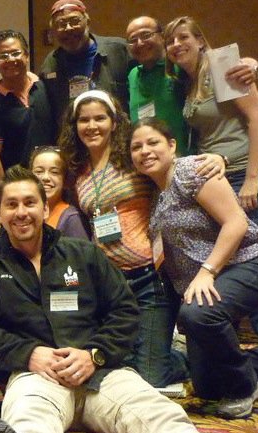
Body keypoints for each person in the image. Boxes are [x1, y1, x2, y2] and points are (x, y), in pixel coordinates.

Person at [0, 165, 197, 433]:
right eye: (11, 205)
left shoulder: (83, 254)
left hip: (101, 373)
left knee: (162, 417)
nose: (21, 212)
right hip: (36, 377)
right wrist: (28, 354)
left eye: (29, 203)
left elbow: (124, 311)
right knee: (27, 424)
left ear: (45, 209)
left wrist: (95, 355)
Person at [130, 118, 258, 418]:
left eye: (152, 142)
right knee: (207, 386)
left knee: (198, 313)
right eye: (136, 147)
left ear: (172, 145)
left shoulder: (192, 170)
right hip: (213, 279)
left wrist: (207, 271)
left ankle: (244, 386)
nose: (144, 151)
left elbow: (236, 222)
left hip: (252, 260)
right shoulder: (156, 195)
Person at [59, 89, 201, 388]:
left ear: (114, 121)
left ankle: (195, 358)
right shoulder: (78, 170)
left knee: (149, 376)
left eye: (100, 118)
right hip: (111, 283)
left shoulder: (132, 158)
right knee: (119, 365)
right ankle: (159, 348)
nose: (92, 126)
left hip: (149, 277)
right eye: (84, 120)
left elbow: (174, 167)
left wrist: (216, 158)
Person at [164, 16, 258, 340]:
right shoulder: (187, 78)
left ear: (200, 39)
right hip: (219, 173)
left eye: (183, 37)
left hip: (252, 171)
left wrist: (253, 178)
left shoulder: (221, 63)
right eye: (170, 41)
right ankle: (234, 342)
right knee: (235, 256)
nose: (176, 45)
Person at [126, 15, 258, 156]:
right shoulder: (132, 75)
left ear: (161, 37)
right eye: (132, 40)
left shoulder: (180, 66)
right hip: (150, 159)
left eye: (146, 35)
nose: (140, 43)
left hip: (192, 157)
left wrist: (251, 65)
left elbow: (216, 62)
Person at [40, 0, 132, 127]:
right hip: (73, 142)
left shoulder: (119, 51)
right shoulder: (50, 65)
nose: (68, 28)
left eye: (74, 21)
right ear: (54, 31)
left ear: (88, 22)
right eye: (61, 24)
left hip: (118, 140)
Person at [0, 30, 57, 180]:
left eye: (16, 53)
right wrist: (5, 190)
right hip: (19, 186)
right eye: (3, 56)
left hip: (52, 180)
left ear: (27, 56)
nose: (10, 59)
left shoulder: (45, 88)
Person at [29, 146, 88, 239]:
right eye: (39, 171)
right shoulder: (25, 213)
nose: (45, 178)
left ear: (64, 180)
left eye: (54, 172)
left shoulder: (71, 218)